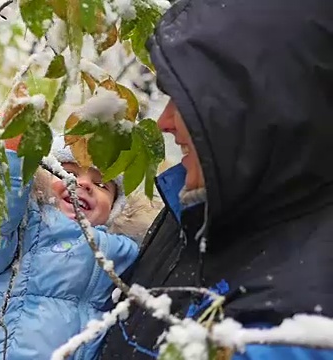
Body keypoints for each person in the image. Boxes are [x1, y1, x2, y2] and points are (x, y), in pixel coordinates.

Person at [100, 0, 333, 359]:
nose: (164, 122)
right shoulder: (199, 208)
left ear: (258, 109)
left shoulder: (291, 329)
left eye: (186, 101)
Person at [0, 128, 160, 359]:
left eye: (102, 184)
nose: (83, 184)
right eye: (67, 171)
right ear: (42, 180)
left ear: (115, 209)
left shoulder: (123, 252)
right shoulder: (22, 224)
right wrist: (7, 156)